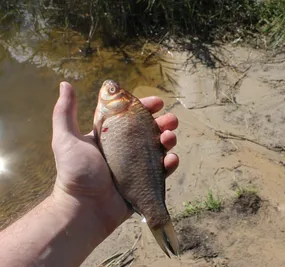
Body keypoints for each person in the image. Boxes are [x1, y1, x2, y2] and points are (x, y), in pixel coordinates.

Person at [0, 82, 180, 267]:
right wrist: (77, 198)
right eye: (113, 90)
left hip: (133, 178)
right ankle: (156, 216)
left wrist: (74, 202)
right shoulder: (118, 114)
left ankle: (156, 215)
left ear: (124, 104)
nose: (109, 89)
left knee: (163, 146)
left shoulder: (125, 113)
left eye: (113, 91)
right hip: (122, 182)